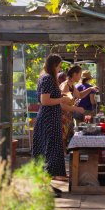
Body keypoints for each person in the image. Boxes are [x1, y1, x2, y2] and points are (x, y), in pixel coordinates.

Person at [32, 54, 71, 191]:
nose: (60, 68)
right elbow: (45, 100)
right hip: (48, 118)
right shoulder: (47, 78)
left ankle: (50, 179)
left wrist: (62, 98)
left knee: (52, 147)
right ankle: (45, 182)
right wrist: (61, 100)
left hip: (52, 117)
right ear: (54, 65)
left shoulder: (46, 77)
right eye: (59, 65)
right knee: (48, 148)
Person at [60, 66, 97, 151]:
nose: (80, 77)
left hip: (68, 117)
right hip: (62, 118)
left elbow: (80, 95)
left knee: (67, 141)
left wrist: (90, 89)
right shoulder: (65, 86)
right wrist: (77, 109)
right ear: (74, 74)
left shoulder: (71, 85)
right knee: (62, 141)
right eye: (80, 74)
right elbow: (62, 105)